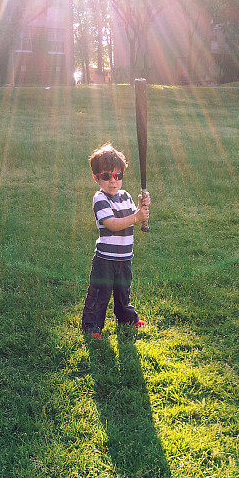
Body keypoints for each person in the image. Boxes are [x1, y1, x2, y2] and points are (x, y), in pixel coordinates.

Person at [81, 143, 150, 339]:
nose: (113, 181)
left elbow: (133, 218)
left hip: (124, 256)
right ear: (96, 178)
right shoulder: (100, 199)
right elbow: (112, 224)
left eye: (117, 176)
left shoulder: (125, 196)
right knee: (99, 294)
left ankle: (127, 318)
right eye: (106, 176)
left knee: (123, 291)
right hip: (105, 259)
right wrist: (136, 217)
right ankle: (92, 326)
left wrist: (141, 207)